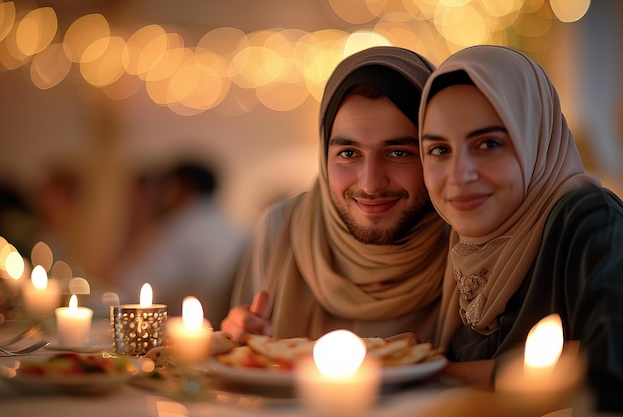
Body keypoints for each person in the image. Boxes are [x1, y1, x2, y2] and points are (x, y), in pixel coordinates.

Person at [418, 45, 623, 412]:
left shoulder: (589, 219)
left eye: (489, 144)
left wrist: (443, 373)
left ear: (535, 139)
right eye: (438, 150)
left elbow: (610, 365)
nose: (459, 175)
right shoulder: (462, 249)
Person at [221, 46, 449, 342]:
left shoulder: (465, 240)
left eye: (397, 152)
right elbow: (246, 352)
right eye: (349, 153)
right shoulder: (282, 228)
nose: (370, 184)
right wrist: (238, 335)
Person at [111, 160, 249, 327]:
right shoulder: (236, 227)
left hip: (186, 333)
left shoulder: (180, 228)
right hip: (224, 329)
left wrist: (135, 224)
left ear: (182, 187)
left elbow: (127, 286)